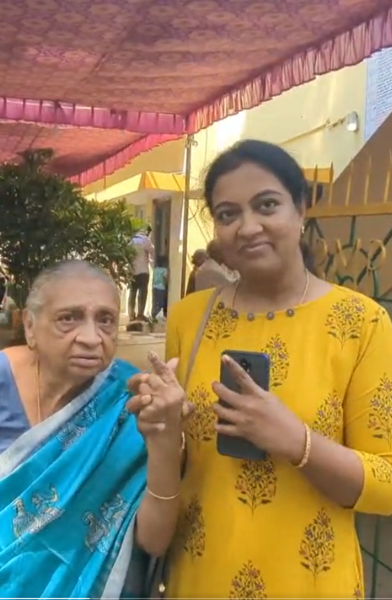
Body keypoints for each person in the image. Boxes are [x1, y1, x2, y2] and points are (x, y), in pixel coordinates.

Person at [159, 139, 392, 597]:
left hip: (310, 581)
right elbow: (179, 463)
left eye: (266, 205)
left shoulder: (361, 323)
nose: (248, 227)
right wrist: (160, 430)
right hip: (201, 572)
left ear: (301, 208)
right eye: (228, 214)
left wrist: (297, 442)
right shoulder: (189, 317)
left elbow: (387, 483)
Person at [0, 260, 188, 598]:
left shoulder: (132, 399)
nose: (91, 338)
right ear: (30, 326)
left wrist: (165, 440)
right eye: (69, 318)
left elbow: (154, 541)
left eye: (105, 320)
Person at [129, 226, 154, 321]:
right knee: (142, 293)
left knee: (132, 292)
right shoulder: (145, 240)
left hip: (132, 271)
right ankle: (140, 314)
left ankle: (131, 314)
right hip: (143, 271)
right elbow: (152, 252)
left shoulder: (131, 241)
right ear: (146, 232)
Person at [152, 255, 169, 319]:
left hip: (154, 287)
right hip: (161, 288)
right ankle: (159, 315)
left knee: (155, 301)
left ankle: (154, 314)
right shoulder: (164, 270)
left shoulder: (155, 269)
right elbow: (165, 277)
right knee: (160, 302)